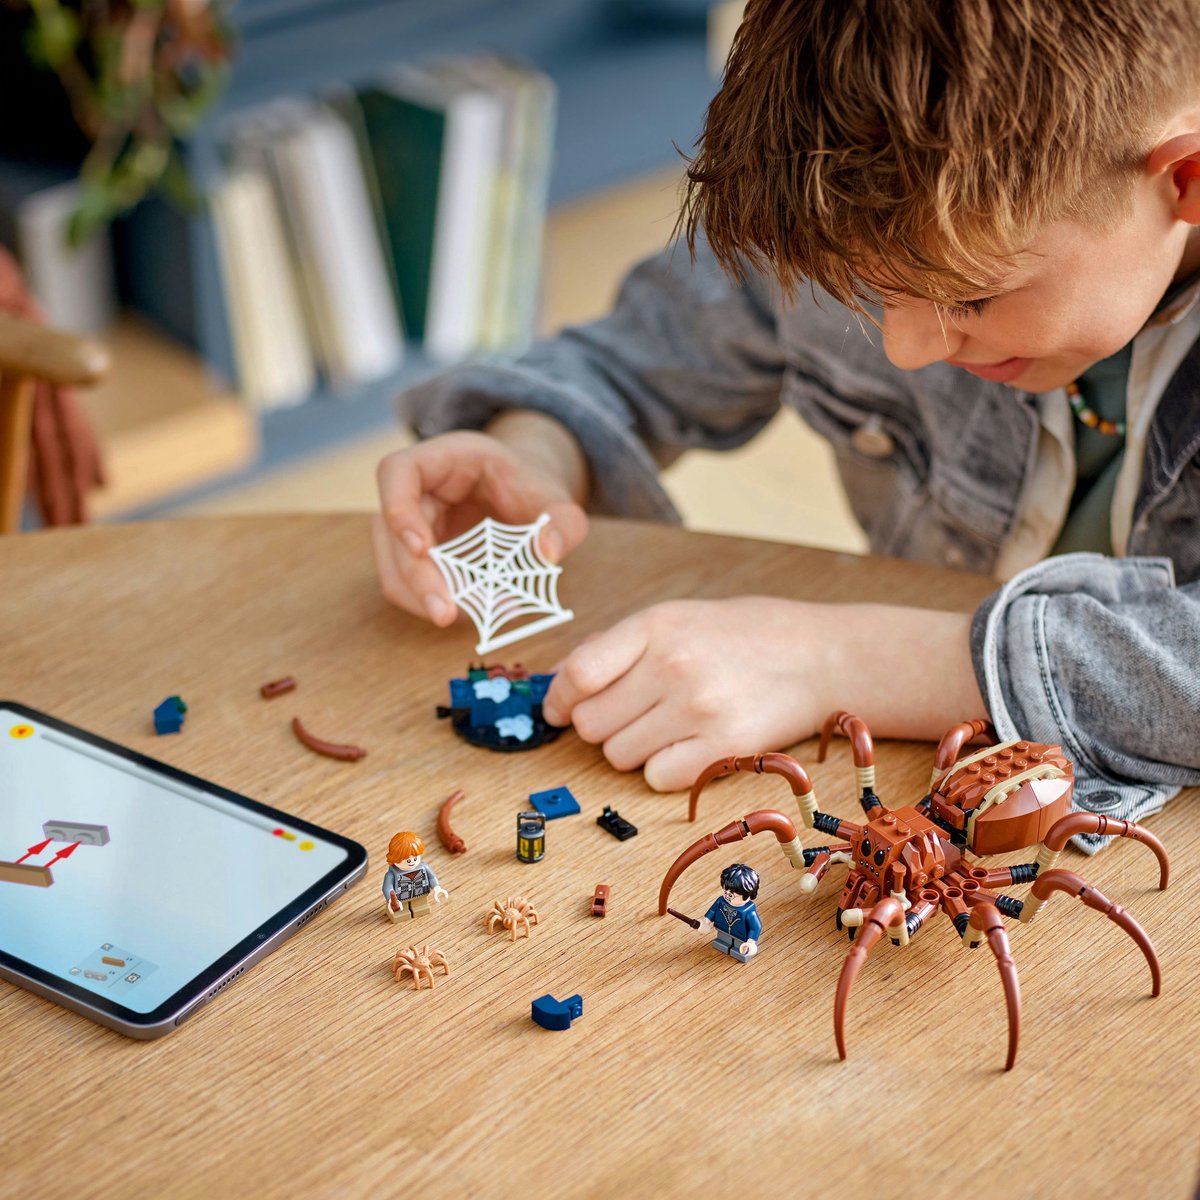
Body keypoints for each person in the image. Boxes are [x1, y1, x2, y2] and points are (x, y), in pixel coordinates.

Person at [372, 1, 1200, 847]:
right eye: (867, 291)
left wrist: (842, 662)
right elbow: (633, 354)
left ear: (1185, 178)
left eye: (970, 296)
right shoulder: (848, 188)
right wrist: (531, 448)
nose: (905, 346)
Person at [700, 863, 762, 963]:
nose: (727, 896)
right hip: (723, 930)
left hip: (741, 937)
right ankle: (723, 944)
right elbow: (713, 910)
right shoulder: (721, 901)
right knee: (722, 941)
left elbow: (755, 927)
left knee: (739, 948)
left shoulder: (748, 911)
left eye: (731, 895)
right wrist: (705, 922)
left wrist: (751, 942)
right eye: (725, 892)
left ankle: (741, 952)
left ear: (748, 894)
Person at [381, 832, 448, 921]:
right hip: (401, 900)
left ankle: (420, 908)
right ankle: (400, 912)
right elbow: (388, 888)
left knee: (420, 906)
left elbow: (431, 877)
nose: (412, 862)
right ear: (395, 858)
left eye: (415, 858)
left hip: (420, 894)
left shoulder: (424, 867)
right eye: (408, 861)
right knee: (401, 911)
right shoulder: (391, 874)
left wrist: (436, 887)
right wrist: (391, 900)